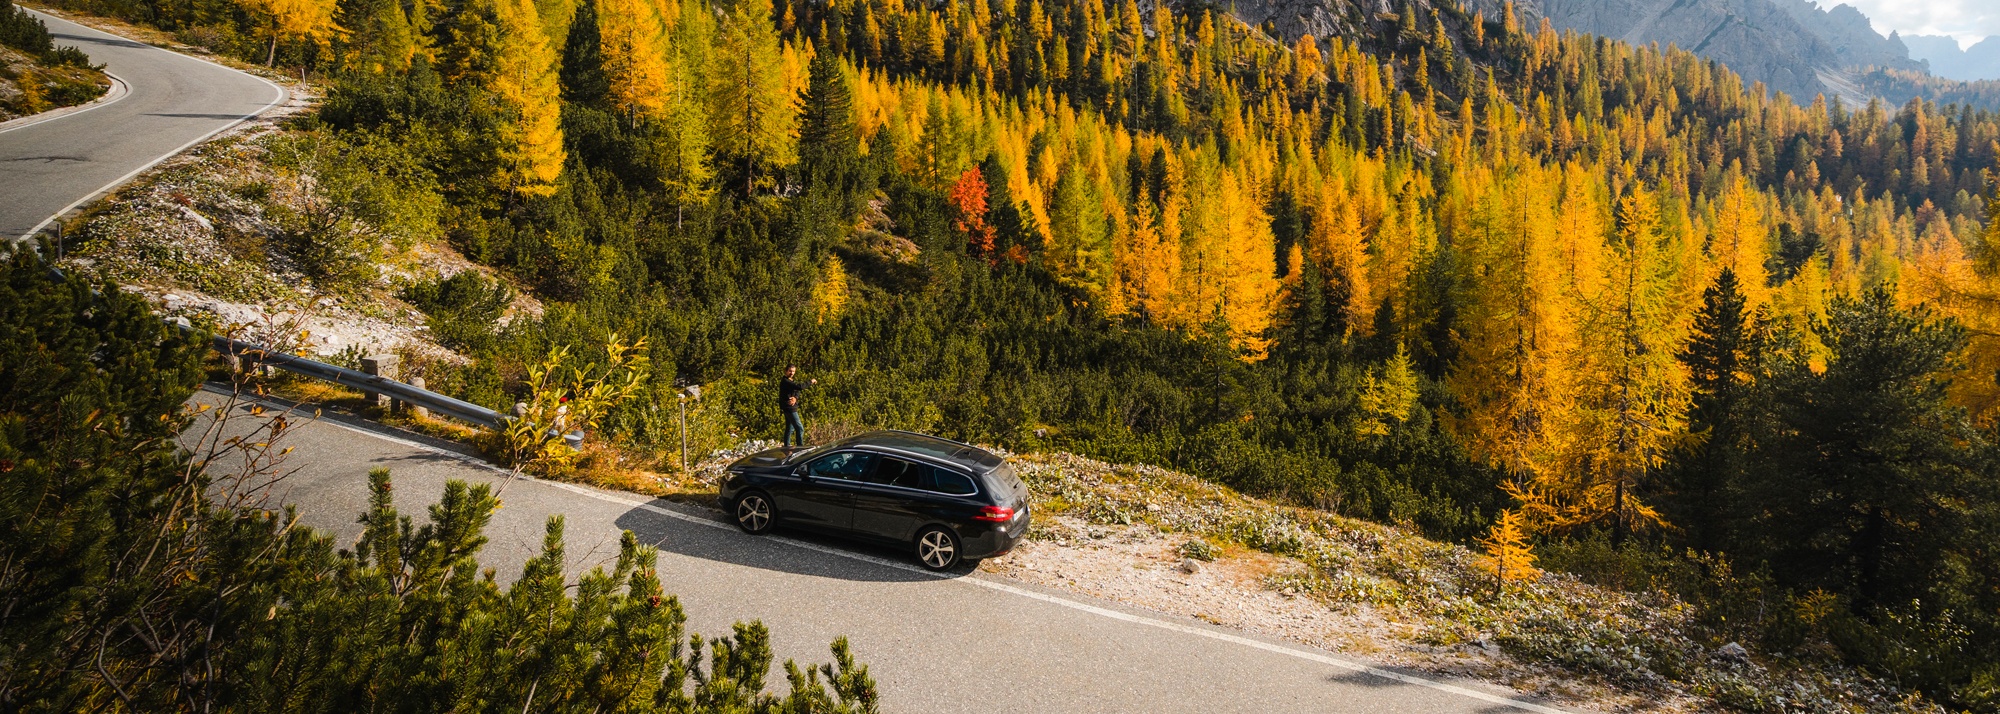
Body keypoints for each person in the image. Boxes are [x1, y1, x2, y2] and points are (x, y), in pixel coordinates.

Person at [778, 365, 817, 448]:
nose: (792, 373)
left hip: (792, 407)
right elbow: (800, 387)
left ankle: (786, 446)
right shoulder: (785, 381)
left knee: (790, 428)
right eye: (790, 371)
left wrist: (795, 398)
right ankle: (800, 447)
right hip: (789, 407)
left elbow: (797, 390)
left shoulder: (791, 381)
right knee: (800, 428)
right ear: (785, 371)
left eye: (793, 371)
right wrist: (811, 381)